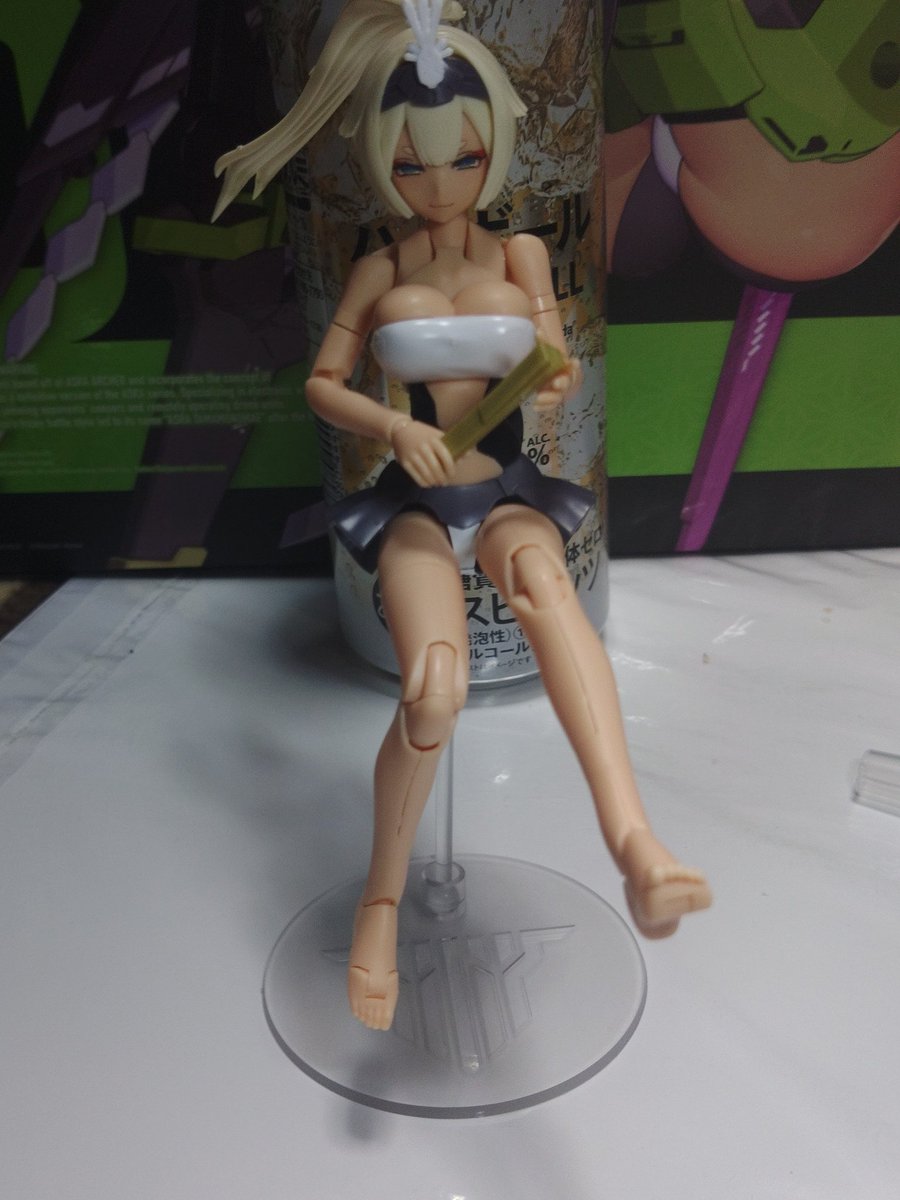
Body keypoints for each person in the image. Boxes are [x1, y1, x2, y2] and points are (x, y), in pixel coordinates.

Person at [216, 0, 711, 1032]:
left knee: (548, 590)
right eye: (412, 164)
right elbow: (323, 385)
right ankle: (380, 907)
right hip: (415, 503)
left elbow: (555, 360)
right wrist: (393, 428)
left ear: (496, 150)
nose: (440, 184)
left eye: (464, 158)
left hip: (505, 487)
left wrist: (552, 379)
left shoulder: (522, 257)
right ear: (380, 160)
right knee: (434, 689)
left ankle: (636, 846)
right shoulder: (379, 269)